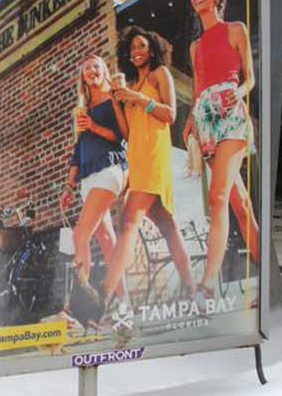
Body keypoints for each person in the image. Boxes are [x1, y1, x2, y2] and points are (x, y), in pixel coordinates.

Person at [102, 27, 198, 324]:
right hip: (138, 159)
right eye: (132, 48)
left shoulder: (160, 74)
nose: (136, 51)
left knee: (128, 221)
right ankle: (194, 293)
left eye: (141, 45)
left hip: (156, 157)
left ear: (152, 48)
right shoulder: (132, 83)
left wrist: (138, 98)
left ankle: (104, 301)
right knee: (168, 227)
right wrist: (118, 102)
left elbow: (169, 114)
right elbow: (128, 133)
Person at [183, 0, 260, 303]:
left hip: (231, 117)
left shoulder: (235, 29)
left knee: (216, 198)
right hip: (206, 121)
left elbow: (250, 77)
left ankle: (208, 284)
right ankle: (268, 276)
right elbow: (198, 89)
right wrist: (190, 124)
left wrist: (237, 93)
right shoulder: (195, 46)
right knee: (238, 205)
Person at [58, 54, 129, 329]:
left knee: (80, 235)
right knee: (107, 241)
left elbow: (123, 136)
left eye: (95, 66)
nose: (91, 70)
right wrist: (69, 184)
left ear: (104, 71)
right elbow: (78, 150)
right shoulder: (82, 108)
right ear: (83, 77)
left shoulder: (113, 97)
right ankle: (123, 306)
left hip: (109, 169)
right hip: (88, 177)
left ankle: (78, 308)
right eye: (86, 68)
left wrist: (94, 126)